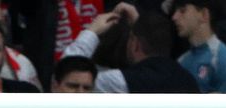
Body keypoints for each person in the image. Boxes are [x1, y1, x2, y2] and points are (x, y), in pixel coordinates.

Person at [63, 4, 199, 94]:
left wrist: (92, 31)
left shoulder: (119, 82)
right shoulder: (188, 79)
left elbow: (67, 73)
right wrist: (142, 26)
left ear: (135, 44)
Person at [171, 0, 226, 94]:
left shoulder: (225, 61)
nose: (174, 17)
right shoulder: (182, 61)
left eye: (182, 11)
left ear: (204, 14)